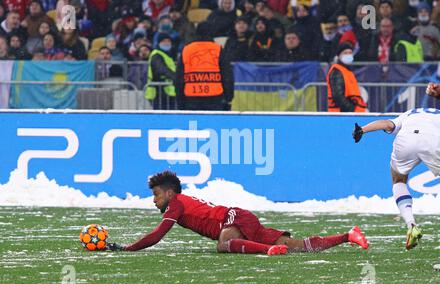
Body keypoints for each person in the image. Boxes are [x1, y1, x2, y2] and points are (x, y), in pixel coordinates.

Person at [106, 170, 369, 254]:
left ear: (170, 193)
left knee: (224, 245)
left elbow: (157, 235)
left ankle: (267, 250)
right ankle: (348, 235)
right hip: (242, 218)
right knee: (297, 246)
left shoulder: (176, 204)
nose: (154, 200)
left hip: (233, 218)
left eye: (156, 194)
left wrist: (126, 248)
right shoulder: (181, 201)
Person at [351, 83, 440, 249]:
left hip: (406, 140)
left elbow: (387, 124)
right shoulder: (437, 115)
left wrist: (362, 129)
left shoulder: (407, 115)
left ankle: (411, 225)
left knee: (398, 179)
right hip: (433, 140)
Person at [176, 21, 234, 111]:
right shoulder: (217, 49)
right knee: (213, 124)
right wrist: (228, 97)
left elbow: (179, 78)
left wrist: (180, 100)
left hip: (191, 98)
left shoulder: (187, 49)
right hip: (214, 98)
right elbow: (227, 75)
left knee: (193, 124)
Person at [326, 42, 367, 112]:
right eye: (345, 53)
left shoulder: (347, 71)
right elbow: (338, 96)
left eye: (350, 52)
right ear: (339, 56)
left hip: (348, 113)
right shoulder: (337, 71)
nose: (348, 55)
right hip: (342, 113)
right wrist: (352, 109)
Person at [145, 33, 177, 110]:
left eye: (168, 41)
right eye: (164, 41)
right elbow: (161, 69)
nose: (166, 43)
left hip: (166, 91)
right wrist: (175, 77)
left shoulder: (167, 55)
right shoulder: (157, 55)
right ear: (159, 43)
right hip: (158, 92)